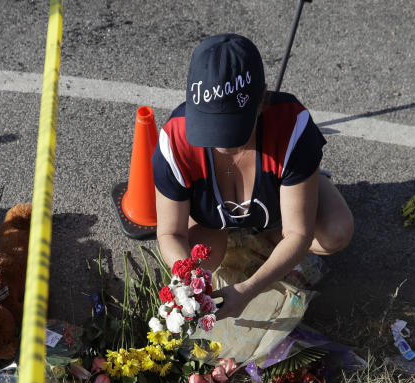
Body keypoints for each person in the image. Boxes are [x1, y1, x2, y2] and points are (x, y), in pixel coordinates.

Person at [151, 33, 353, 319]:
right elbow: (169, 232)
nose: (222, 142)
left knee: (336, 233)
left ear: (261, 101)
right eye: (209, 126)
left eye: (233, 127)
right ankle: (252, 233)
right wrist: (188, 283)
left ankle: (303, 186)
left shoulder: (293, 129)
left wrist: (248, 289)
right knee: (201, 261)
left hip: (280, 204)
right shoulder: (174, 141)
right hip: (212, 222)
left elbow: (298, 233)